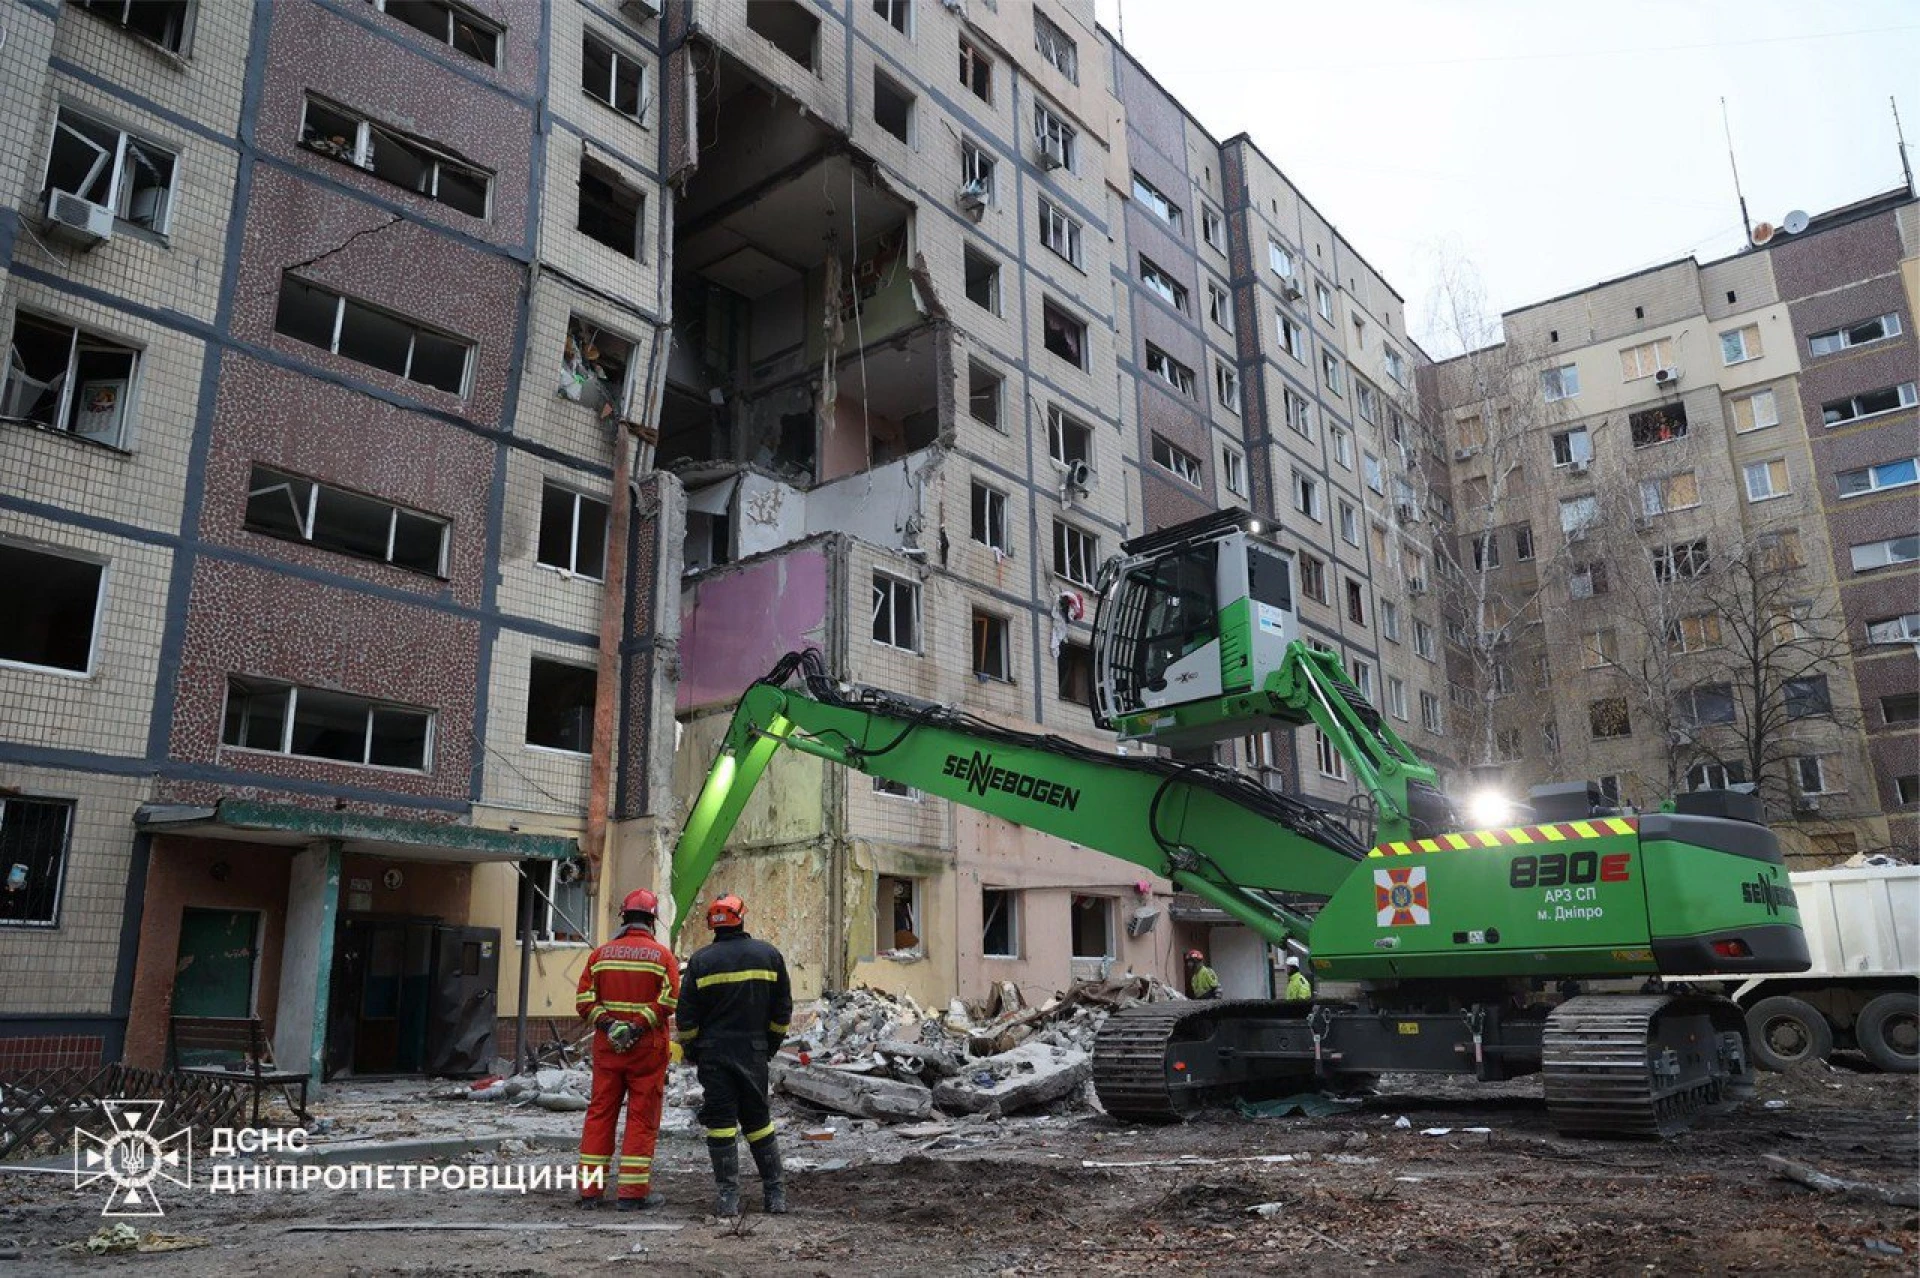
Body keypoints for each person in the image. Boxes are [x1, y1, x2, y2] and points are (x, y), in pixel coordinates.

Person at [676, 893, 794, 1216]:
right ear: (741, 918)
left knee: (722, 1124)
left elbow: (686, 1019)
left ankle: (728, 1198)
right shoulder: (769, 956)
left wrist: (693, 1050)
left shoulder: (701, 962)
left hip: (714, 1056)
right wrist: (769, 1044)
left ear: (712, 924)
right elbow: (782, 1010)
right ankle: (776, 1195)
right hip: (754, 1052)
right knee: (759, 1122)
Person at [574, 888, 680, 1210]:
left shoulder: (600, 955)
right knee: (641, 1118)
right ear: (652, 920)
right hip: (646, 1050)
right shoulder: (663, 958)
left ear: (623, 917)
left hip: (608, 1050)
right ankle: (632, 1196)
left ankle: (590, 1193)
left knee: (600, 1114)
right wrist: (636, 1026)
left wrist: (609, 1025)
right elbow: (669, 1001)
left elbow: (583, 1001)